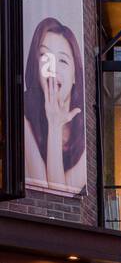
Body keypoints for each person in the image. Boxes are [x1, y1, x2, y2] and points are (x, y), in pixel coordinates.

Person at [23, 17, 87, 194]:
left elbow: (60, 194)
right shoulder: (22, 115)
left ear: (75, 75)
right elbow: (51, 194)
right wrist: (54, 125)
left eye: (63, 61)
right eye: (44, 56)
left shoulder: (85, 127)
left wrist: (55, 124)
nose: (53, 68)